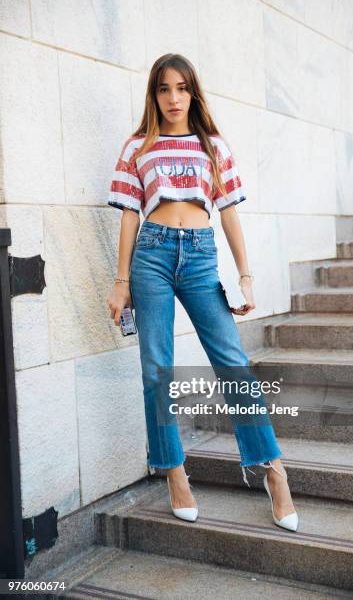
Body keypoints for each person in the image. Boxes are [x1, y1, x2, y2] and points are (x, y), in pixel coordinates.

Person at [106, 53, 298, 532]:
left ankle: (273, 470)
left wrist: (246, 274)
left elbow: (229, 211)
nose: (174, 98)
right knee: (157, 368)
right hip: (150, 254)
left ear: (194, 93)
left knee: (232, 362)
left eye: (182, 88)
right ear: (154, 95)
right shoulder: (137, 147)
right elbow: (130, 213)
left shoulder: (213, 145)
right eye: (164, 89)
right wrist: (120, 281)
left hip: (199, 254)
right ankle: (174, 474)